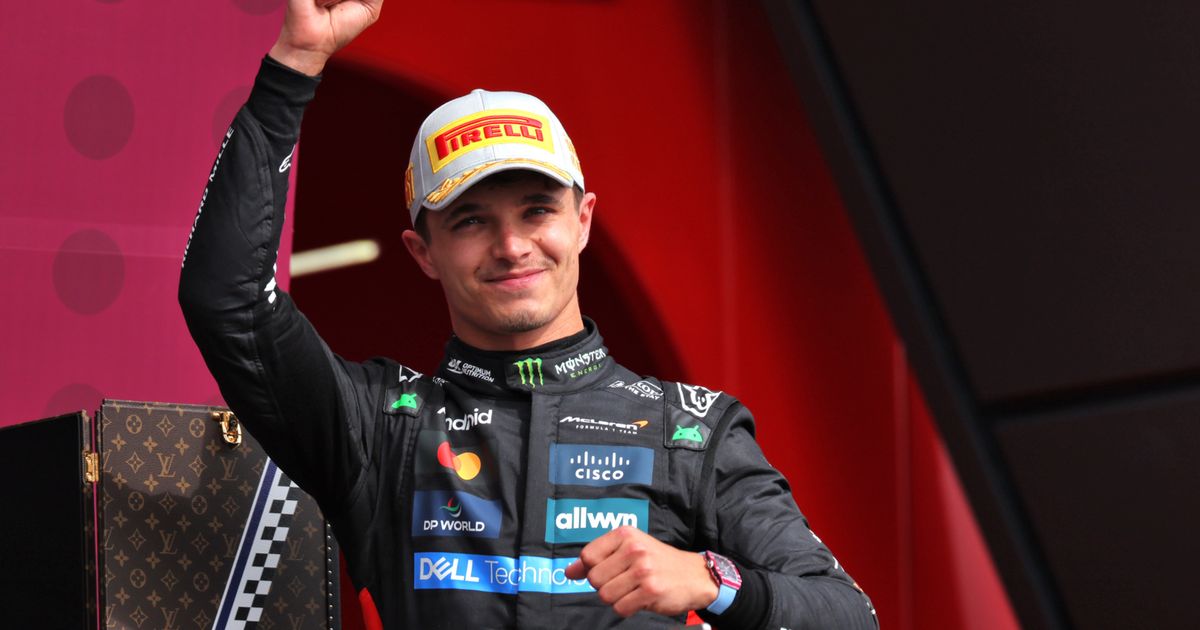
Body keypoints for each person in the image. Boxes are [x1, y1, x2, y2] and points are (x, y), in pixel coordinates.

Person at [178, 1, 878, 628]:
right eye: (471, 220)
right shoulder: (381, 426)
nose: (512, 246)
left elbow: (848, 615)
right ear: (423, 252)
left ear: (583, 221)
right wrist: (295, 64)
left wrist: (712, 580)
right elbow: (226, 298)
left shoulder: (690, 431)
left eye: (538, 210)